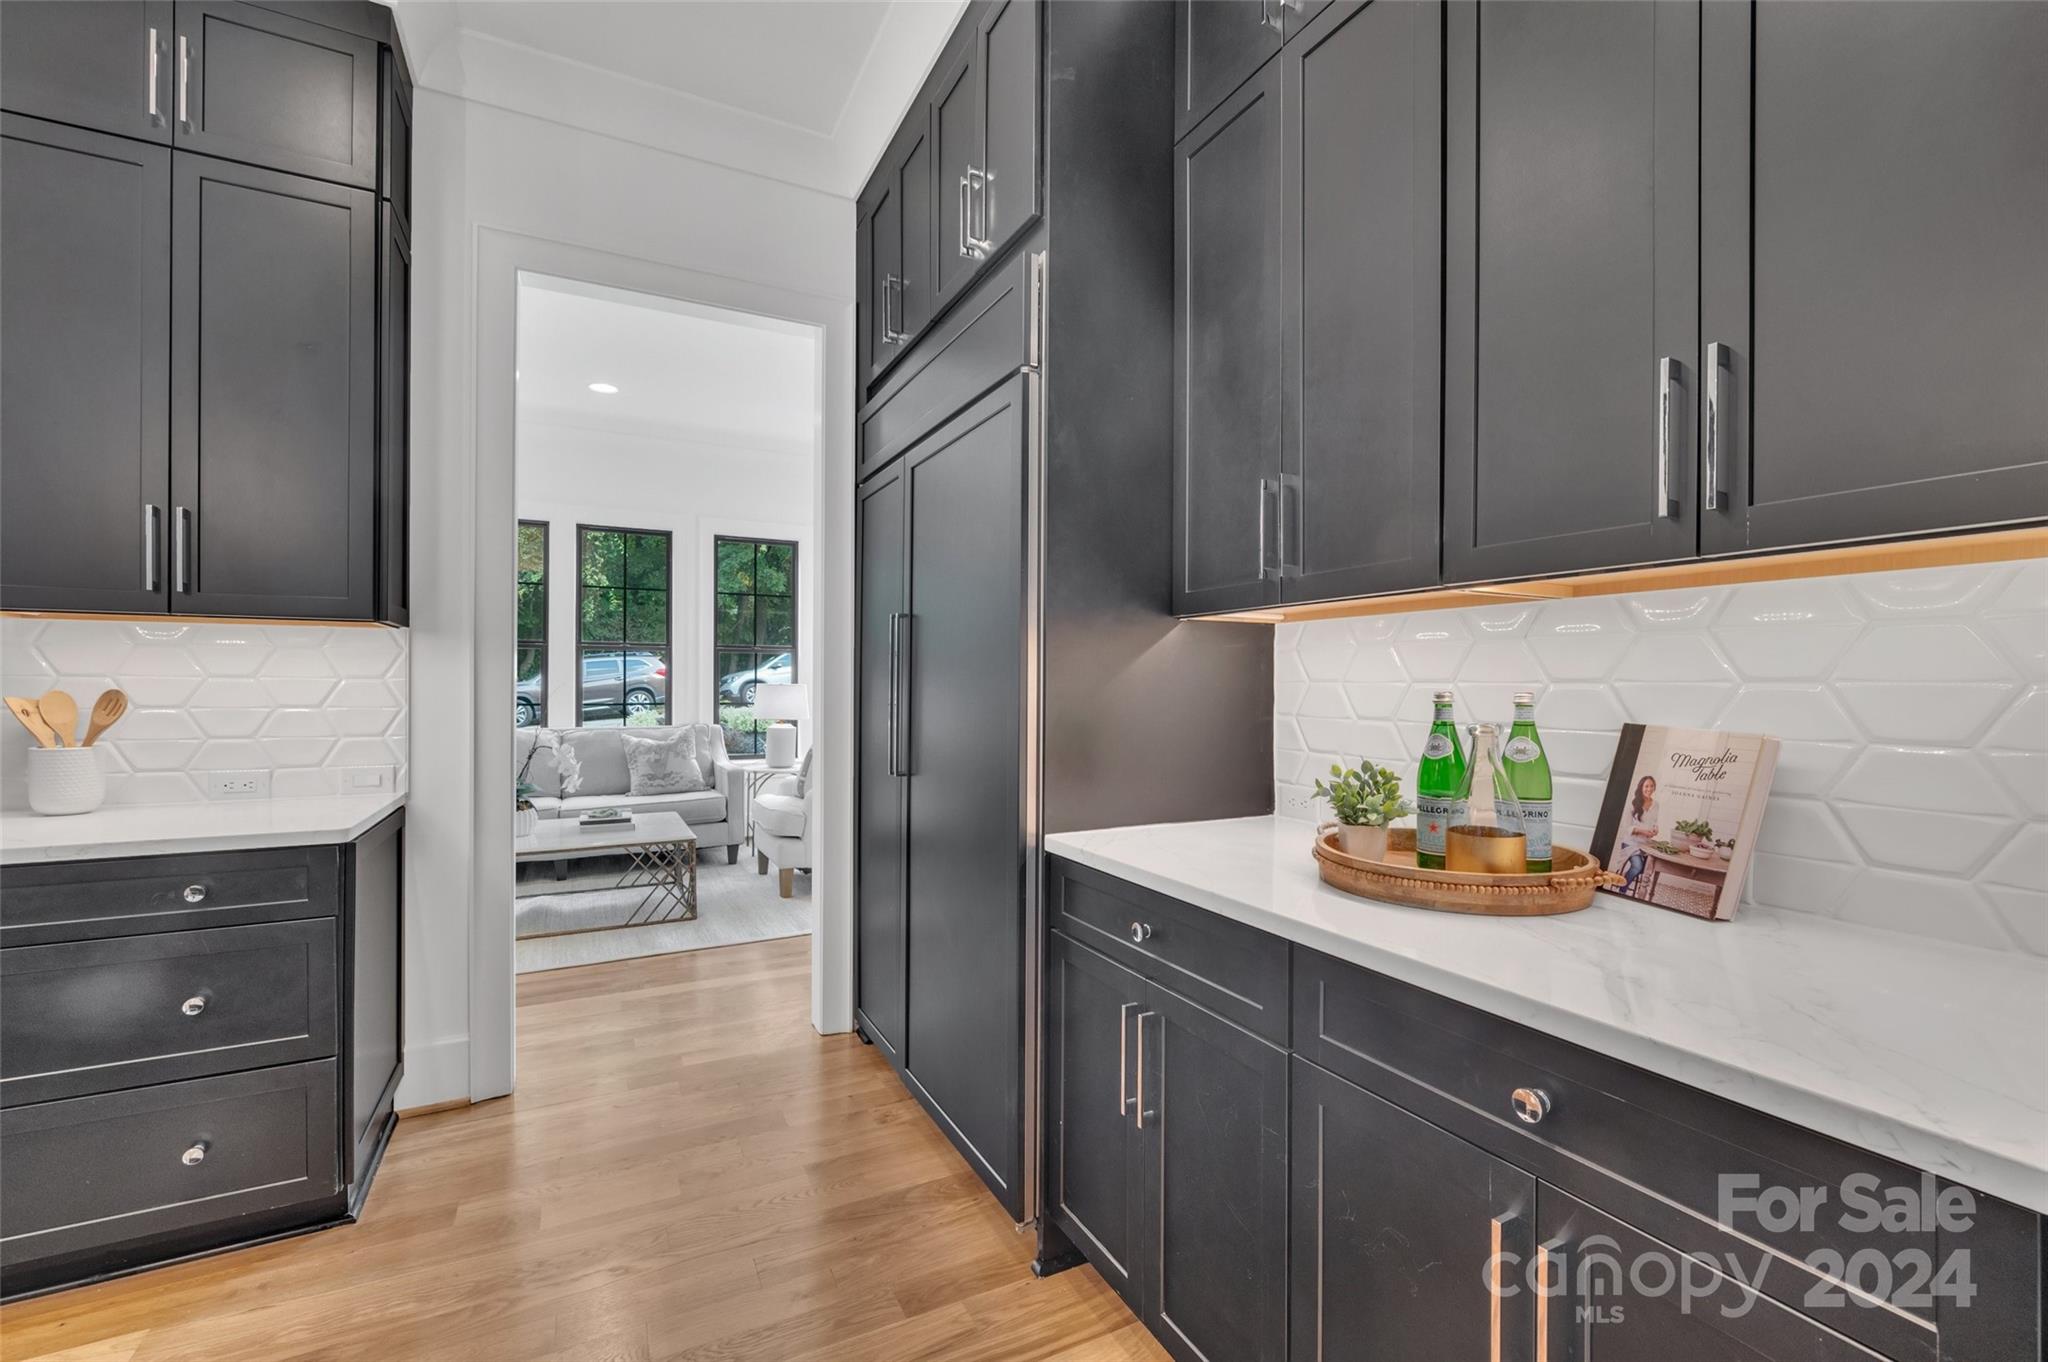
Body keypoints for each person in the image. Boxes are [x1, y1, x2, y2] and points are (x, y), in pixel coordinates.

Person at [1615, 774, 1658, 897]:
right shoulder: (1632, 804)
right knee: (1638, 867)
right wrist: (1643, 831)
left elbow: (1654, 822)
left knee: (1648, 868)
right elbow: (1627, 827)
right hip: (1631, 843)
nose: (1649, 789)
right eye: (1646, 786)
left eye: (1651, 786)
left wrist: (1655, 829)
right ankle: (1622, 891)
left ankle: (1625, 878)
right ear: (1641, 787)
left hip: (1645, 845)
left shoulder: (1656, 804)